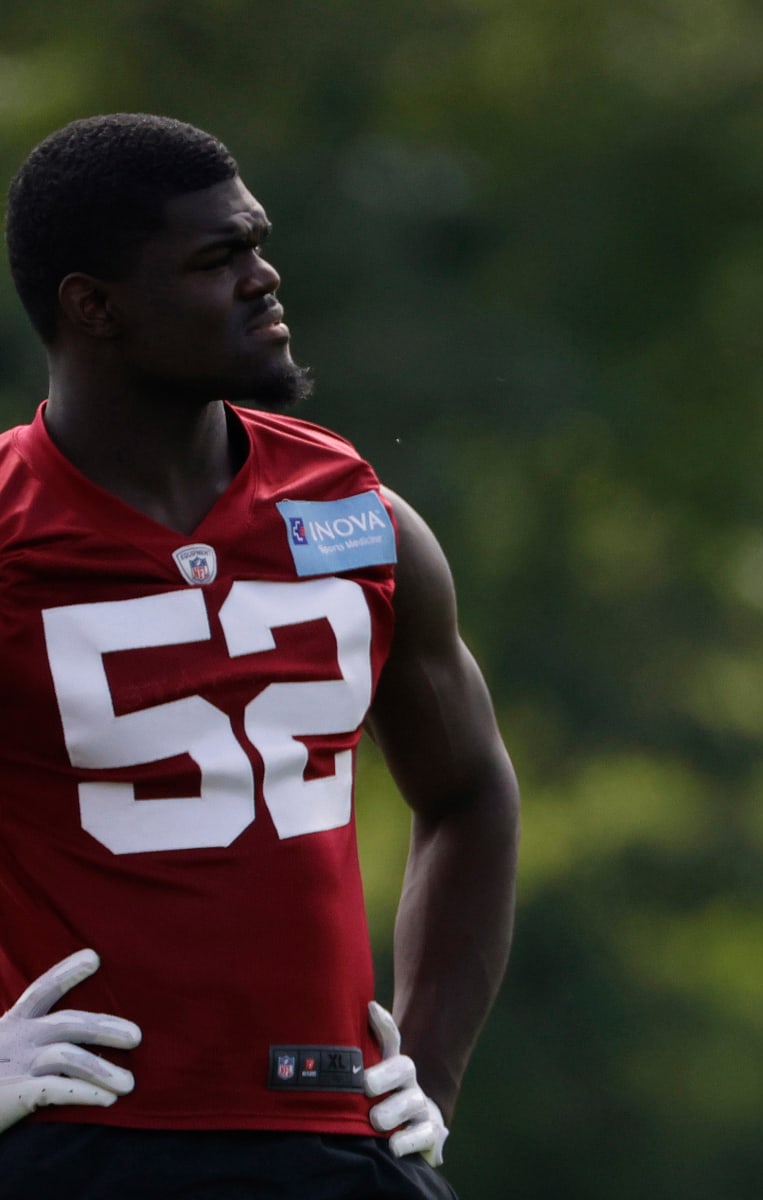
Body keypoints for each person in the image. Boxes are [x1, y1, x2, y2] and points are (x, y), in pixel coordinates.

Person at [0, 113, 520, 1198]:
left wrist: (426, 1066)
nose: (265, 279)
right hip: (77, 1139)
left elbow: (469, 793)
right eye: (216, 259)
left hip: (333, 1137)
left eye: (257, 243)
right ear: (93, 305)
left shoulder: (356, 514)